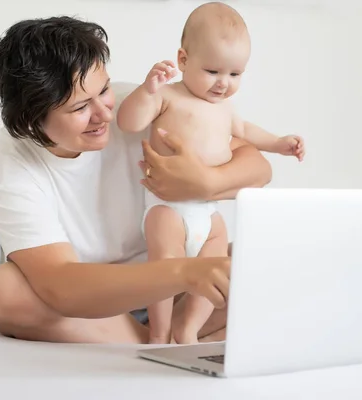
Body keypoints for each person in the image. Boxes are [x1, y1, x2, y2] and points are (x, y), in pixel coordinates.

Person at [0, 15, 272, 344]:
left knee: (268, 257)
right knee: (4, 292)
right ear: (33, 123)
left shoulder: (140, 107)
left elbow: (257, 166)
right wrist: (184, 274)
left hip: (179, 289)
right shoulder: (9, 162)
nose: (105, 114)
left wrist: (206, 182)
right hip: (93, 304)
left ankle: (169, 334)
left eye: (102, 90)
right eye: (79, 108)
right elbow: (58, 284)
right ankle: (158, 340)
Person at [116, 2, 305, 344]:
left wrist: (279, 143)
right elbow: (129, 122)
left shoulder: (225, 110)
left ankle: (187, 328)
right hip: (167, 209)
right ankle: (158, 332)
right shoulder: (170, 97)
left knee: (215, 259)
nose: (223, 84)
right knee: (165, 268)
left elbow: (247, 131)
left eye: (235, 75)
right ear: (184, 60)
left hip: (207, 212)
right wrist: (147, 90)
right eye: (214, 71)